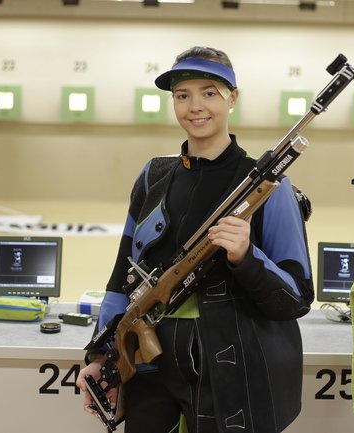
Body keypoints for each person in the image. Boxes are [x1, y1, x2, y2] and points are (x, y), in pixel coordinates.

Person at [77, 46, 314, 433]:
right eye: (182, 95)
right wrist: (101, 355)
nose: (194, 107)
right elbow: (124, 273)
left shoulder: (271, 188)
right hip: (151, 375)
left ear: (232, 98)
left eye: (209, 92)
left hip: (232, 381)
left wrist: (246, 258)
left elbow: (298, 297)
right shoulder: (153, 176)